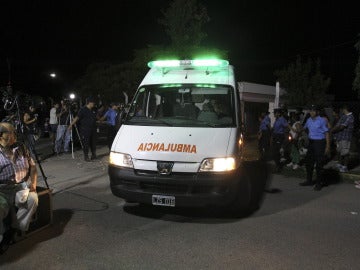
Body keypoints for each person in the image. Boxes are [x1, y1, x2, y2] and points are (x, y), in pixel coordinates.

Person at [0, 122, 38, 250]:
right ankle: (4, 233)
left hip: (22, 186)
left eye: (13, 133)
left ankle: (15, 229)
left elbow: (33, 167)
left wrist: (33, 184)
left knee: (33, 199)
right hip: (2, 189)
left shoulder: (21, 147)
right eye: (9, 134)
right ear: (1, 136)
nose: (13, 136)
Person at [300, 105, 330, 190]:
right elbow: (304, 128)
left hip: (319, 143)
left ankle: (319, 183)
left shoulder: (321, 120)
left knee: (319, 164)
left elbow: (326, 133)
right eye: (311, 111)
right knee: (309, 162)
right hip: (311, 143)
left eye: (314, 111)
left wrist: (327, 146)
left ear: (317, 112)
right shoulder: (309, 120)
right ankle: (309, 181)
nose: (312, 112)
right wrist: (299, 128)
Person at [68, 97, 97, 161]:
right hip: (85, 129)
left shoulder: (93, 109)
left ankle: (93, 155)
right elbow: (77, 117)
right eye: (93, 103)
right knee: (86, 143)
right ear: (89, 103)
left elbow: (95, 117)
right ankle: (86, 156)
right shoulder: (83, 109)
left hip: (93, 129)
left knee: (93, 143)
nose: (94, 104)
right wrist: (71, 125)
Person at [331, 104, 354, 172]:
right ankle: (340, 165)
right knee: (340, 151)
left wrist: (332, 131)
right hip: (340, 137)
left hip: (346, 137)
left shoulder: (350, 117)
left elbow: (342, 127)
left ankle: (345, 167)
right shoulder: (343, 116)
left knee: (345, 152)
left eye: (343, 109)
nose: (342, 110)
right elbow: (338, 125)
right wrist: (332, 130)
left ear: (345, 109)